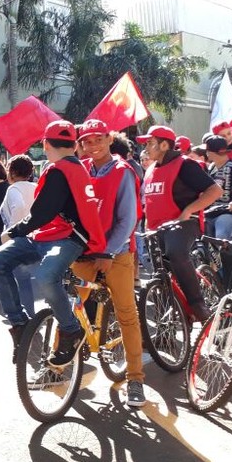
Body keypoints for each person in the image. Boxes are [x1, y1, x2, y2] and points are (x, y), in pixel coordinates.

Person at [0, 120, 107, 367]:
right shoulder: (76, 168)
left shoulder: (59, 171)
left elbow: (41, 212)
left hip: (69, 238)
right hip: (51, 235)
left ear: (45, 144)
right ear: (74, 145)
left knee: (15, 267)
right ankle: (20, 326)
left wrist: (13, 231)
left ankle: (70, 330)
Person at [75, 119, 145, 406]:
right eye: (87, 140)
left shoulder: (122, 171)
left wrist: (109, 252)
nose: (93, 145)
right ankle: (56, 368)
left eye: (98, 139)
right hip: (85, 253)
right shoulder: (80, 170)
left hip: (115, 254)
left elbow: (128, 219)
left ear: (109, 138)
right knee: (73, 309)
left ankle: (136, 379)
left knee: (127, 313)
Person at [139, 125, 221, 322]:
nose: (146, 148)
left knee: (175, 252)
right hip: (155, 228)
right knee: (159, 273)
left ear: (165, 145)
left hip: (183, 224)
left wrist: (189, 210)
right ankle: (166, 322)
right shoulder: (150, 169)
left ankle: (197, 304)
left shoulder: (185, 165)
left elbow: (214, 191)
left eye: (150, 143)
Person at [0, 155, 37, 317]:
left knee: (21, 280)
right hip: (35, 238)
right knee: (26, 280)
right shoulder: (35, 187)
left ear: (12, 172)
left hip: (19, 239)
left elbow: (19, 206)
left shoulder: (14, 189)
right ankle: (31, 316)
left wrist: (13, 231)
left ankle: (27, 318)